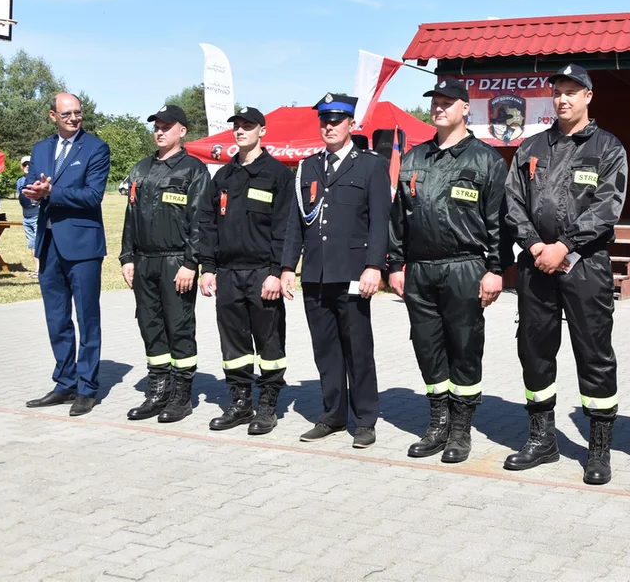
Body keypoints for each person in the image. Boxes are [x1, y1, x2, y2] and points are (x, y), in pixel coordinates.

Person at [503, 64, 628, 485]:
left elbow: (608, 206)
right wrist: (537, 246)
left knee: (594, 354)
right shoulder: (532, 147)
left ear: (589, 96)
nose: (563, 99)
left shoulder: (608, 148)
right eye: (558, 92)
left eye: (572, 92)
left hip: (585, 265)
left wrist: (564, 245)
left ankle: (598, 450)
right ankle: (542, 440)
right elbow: (513, 202)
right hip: (537, 265)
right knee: (534, 351)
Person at [388, 79, 509, 463]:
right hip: (420, 270)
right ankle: (438, 421)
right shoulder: (414, 158)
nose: (439, 108)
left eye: (447, 103)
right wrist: (395, 264)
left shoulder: (486, 159)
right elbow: (398, 218)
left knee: (465, 348)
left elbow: (499, 223)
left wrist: (495, 269)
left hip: (465, 267)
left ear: (464, 109)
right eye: (435, 103)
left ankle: (460, 429)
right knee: (427, 348)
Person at [281, 93, 391, 448]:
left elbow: (379, 222)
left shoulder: (370, 165)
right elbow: (296, 222)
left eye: (337, 120)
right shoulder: (308, 166)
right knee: (325, 348)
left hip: (354, 272)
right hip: (315, 272)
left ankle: (365, 420)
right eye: (325, 120)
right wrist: (287, 267)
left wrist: (375, 265)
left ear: (351, 125)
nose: (330, 126)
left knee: (357, 348)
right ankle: (331, 415)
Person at [198, 107, 294, 435]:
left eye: (247, 126)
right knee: (233, 345)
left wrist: (275, 271)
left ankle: (268, 405)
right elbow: (207, 224)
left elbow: (285, 227)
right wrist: (208, 268)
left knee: (269, 343)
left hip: (261, 274)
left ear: (262, 131)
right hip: (227, 273)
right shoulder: (223, 176)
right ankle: (240, 402)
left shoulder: (278, 175)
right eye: (236, 126)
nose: (240, 131)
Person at [22, 93, 111, 417]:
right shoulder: (41, 149)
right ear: (52, 116)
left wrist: (51, 192)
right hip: (49, 246)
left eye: (78, 113)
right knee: (57, 319)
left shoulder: (96, 148)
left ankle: (87, 388)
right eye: (67, 113)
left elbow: (92, 196)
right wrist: (29, 194)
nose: (74, 118)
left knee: (87, 320)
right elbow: (31, 190)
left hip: (83, 247)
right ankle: (64, 382)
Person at [120, 104, 210, 423]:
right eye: (156, 125)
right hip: (144, 261)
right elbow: (131, 215)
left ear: (182, 131)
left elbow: (201, 221)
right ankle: (158, 390)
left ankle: (182, 395)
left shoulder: (193, 170)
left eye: (167, 126)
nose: (159, 130)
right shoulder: (141, 168)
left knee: (179, 326)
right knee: (151, 326)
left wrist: (190, 263)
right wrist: (127, 257)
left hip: (176, 262)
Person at [16, 155, 41, 278]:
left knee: (39, 242)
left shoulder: (37, 180)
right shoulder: (20, 182)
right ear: (21, 166)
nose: (27, 167)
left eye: (29, 164)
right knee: (31, 243)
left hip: (37, 214)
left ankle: (41, 269)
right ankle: (37, 269)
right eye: (25, 164)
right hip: (26, 216)